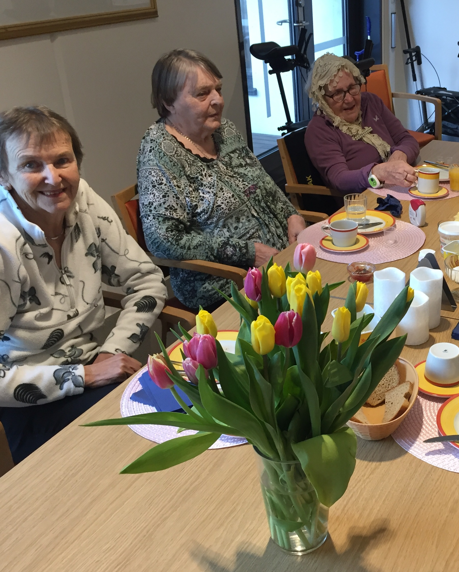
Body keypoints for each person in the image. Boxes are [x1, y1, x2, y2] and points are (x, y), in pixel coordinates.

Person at [0, 106, 167, 463]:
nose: (53, 177)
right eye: (31, 165)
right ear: (4, 176)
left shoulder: (82, 199)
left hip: (95, 368)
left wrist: (111, 353)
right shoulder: (3, 244)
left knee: (182, 427)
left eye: (63, 160)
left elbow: (147, 281)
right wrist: (84, 376)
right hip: (31, 398)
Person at [137, 49, 305, 311]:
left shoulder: (224, 130)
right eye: (203, 93)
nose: (217, 100)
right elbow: (163, 240)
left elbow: (261, 181)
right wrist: (249, 253)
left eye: (218, 89)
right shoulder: (159, 151)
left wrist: (291, 214)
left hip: (282, 261)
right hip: (225, 284)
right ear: (169, 102)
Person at [305, 53, 420, 195]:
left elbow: (408, 140)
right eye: (338, 93)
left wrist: (400, 154)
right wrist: (379, 172)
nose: (348, 99)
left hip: (399, 188)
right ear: (322, 99)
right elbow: (340, 179)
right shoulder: (319, 130)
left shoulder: (371, 102)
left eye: (352, 87)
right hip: (361, 203)